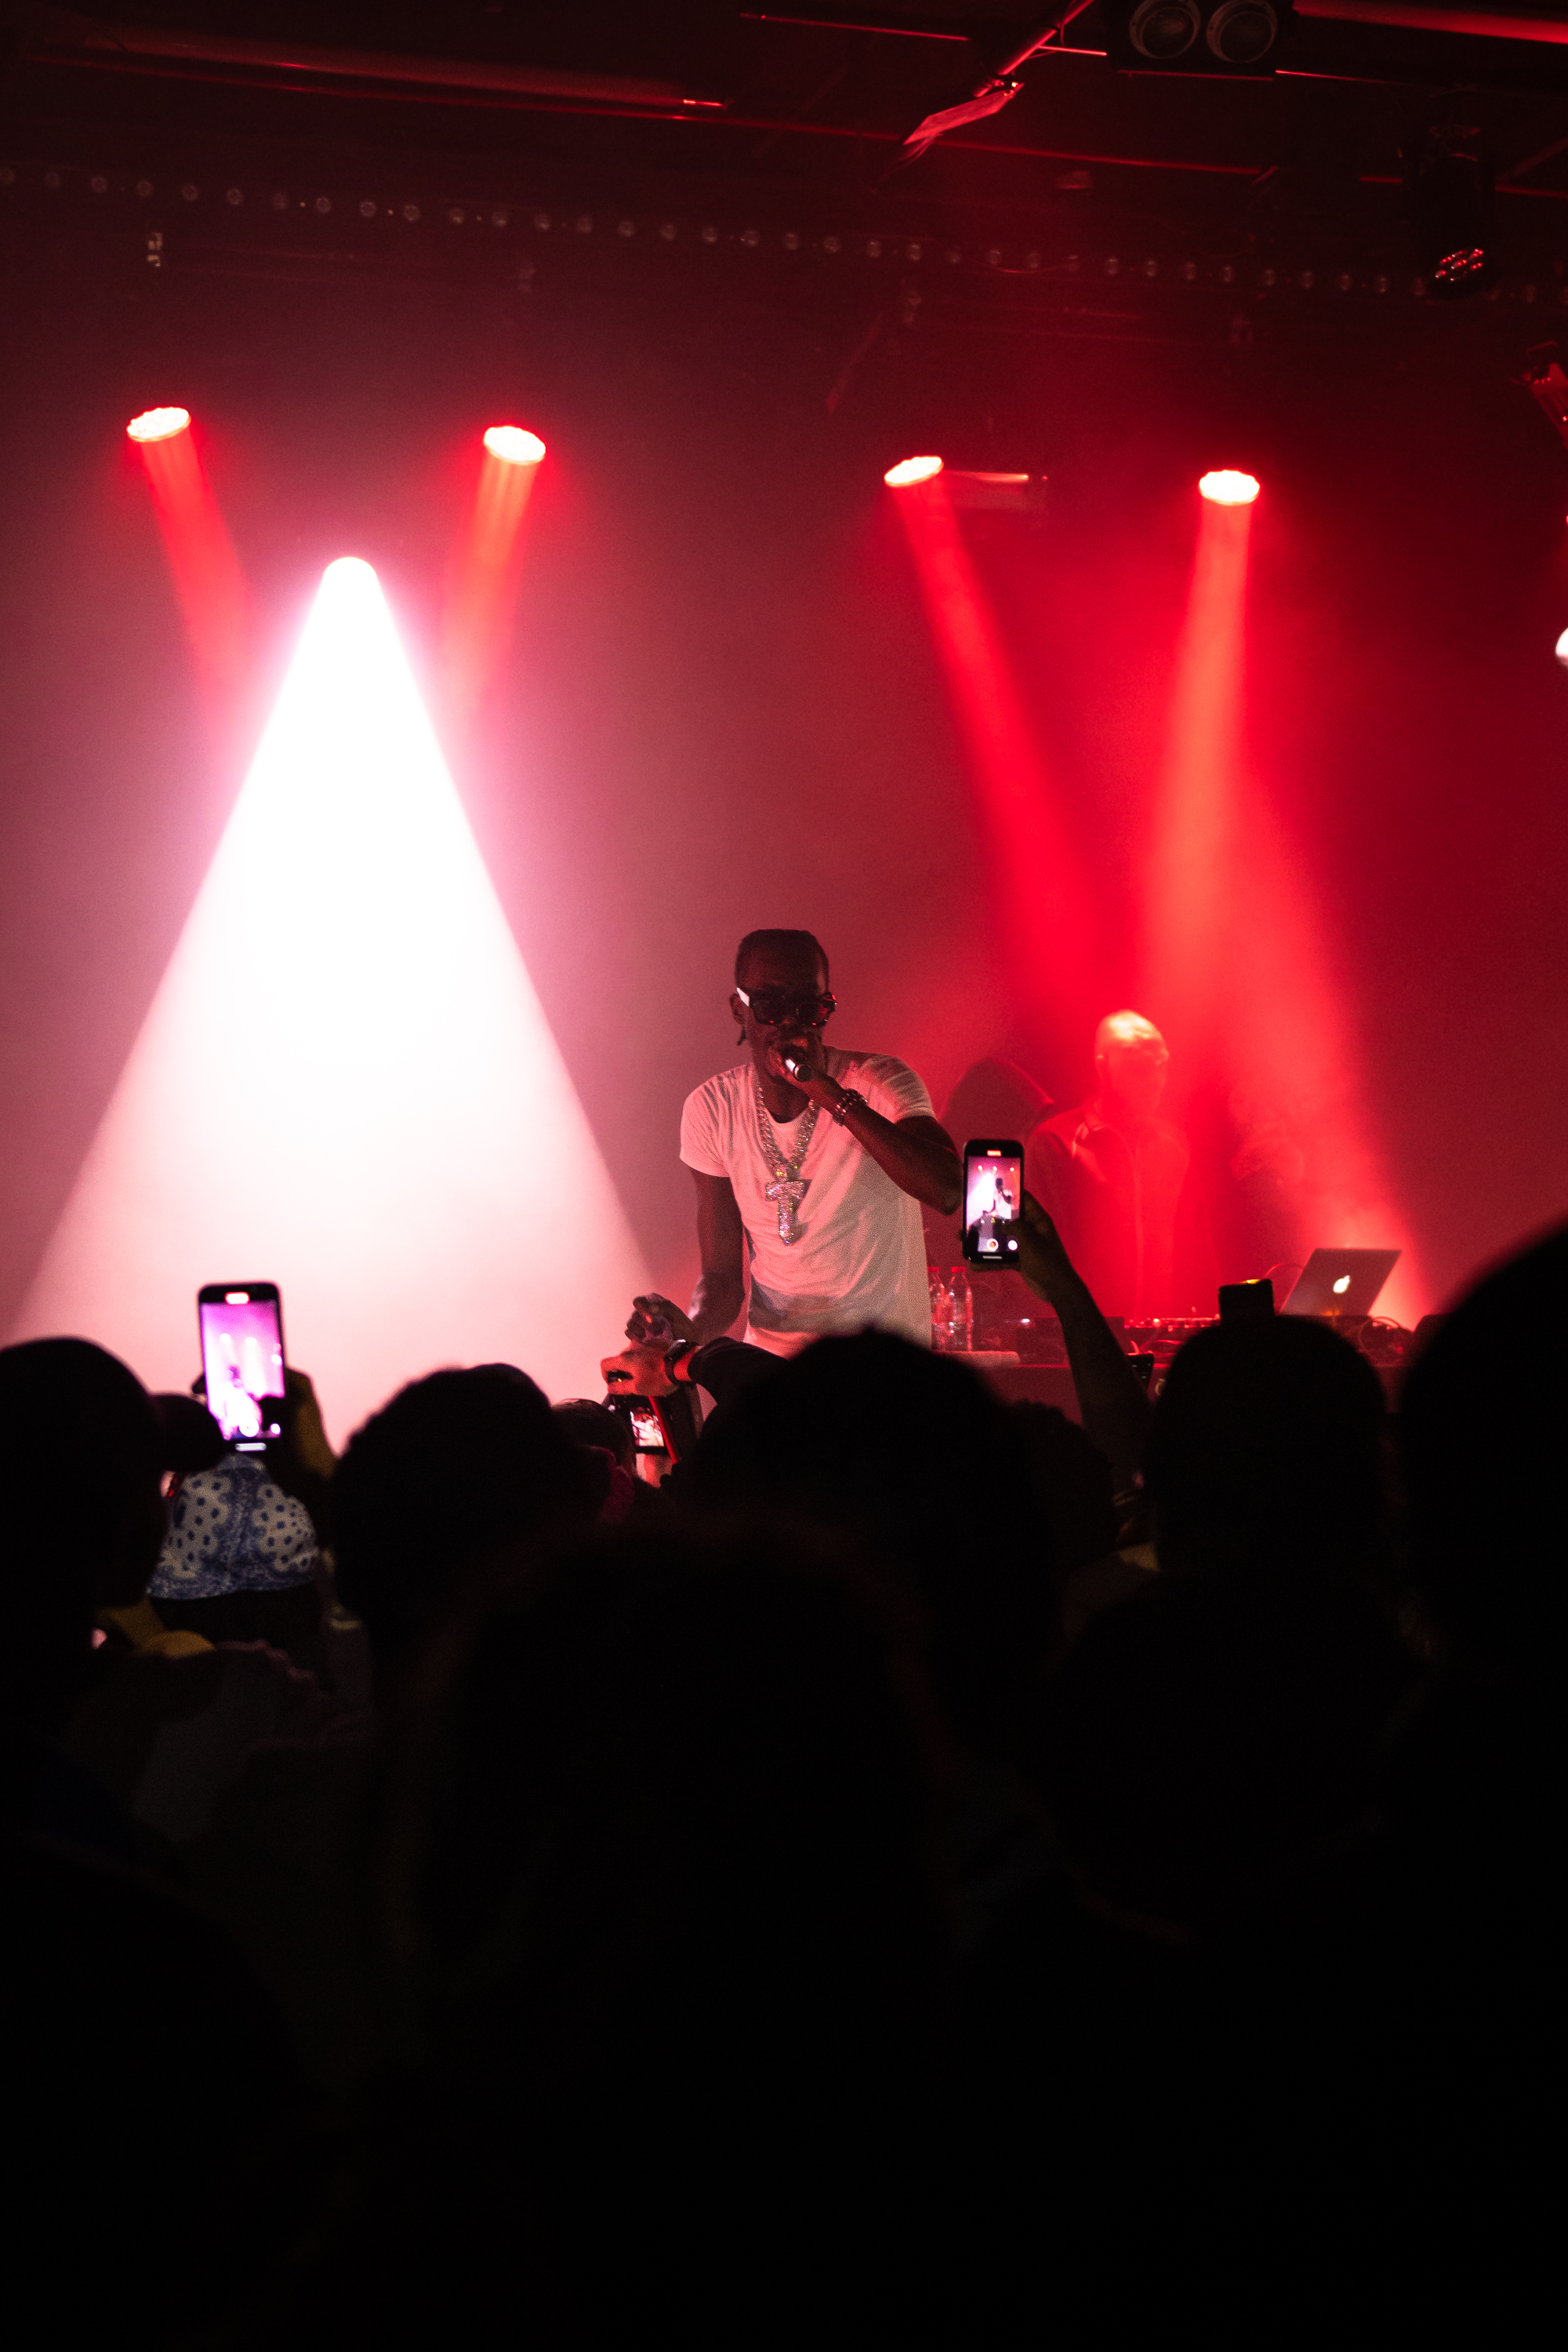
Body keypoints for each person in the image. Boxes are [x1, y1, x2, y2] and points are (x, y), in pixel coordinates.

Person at [641, 928, 959, 1359]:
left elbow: (946, 1189)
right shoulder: (712, 1107)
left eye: (809, 1007)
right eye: (771, 1006)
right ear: (739, 1009)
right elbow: (722, 1280)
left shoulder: (882, 1083)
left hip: (882, 1369)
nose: (790, 1021)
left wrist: (828, 1094)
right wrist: (686, 1332)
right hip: (775, 1369)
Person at [1025, 1010, 1192, 1322]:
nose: (1156, 1079)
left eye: (1161, 1066)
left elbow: (1193, 1251)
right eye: (1141, 1068)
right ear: (1103, 1068)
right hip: (1089, 1332)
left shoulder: (1175, 1146)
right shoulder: (1057, 1142)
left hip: (1164, 1332)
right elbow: (1043, 1256)